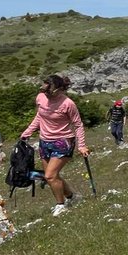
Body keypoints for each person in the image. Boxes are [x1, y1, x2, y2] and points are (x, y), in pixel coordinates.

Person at [19, 74, 88, 210]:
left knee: (50, 176)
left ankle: (60, 206)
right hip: (44, 141)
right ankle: (73, 198)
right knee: (51, 176)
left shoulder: (68, 104)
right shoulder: (41, 97)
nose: (46, 94)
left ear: (58, 89)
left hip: (63, 142)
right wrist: (27, 132)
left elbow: (78, 125)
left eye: (49, 91)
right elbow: (40, 116)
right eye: (44, 90)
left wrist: (82, 145)